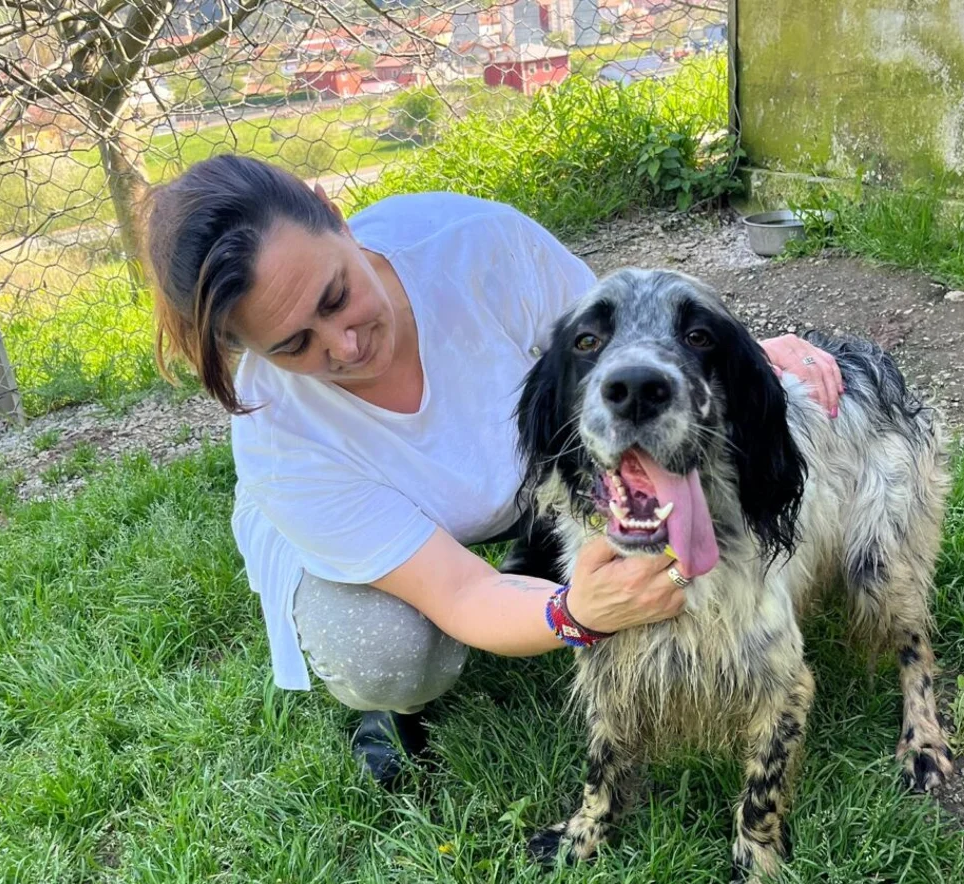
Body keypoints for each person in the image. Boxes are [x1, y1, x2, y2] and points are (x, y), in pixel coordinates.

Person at [144, 155, 843, 784]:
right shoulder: (278, 438)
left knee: (565, 491)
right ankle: (396, 705)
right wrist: (575, 615)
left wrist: (739, 349)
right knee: (383, 651)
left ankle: (532, 558)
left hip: (509, 481)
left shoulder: (476, 246)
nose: (348, 345)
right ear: (249, 351)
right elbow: (459, 593)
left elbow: (618, 338)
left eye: (335, 296)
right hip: (401, 537)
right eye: (297, 343)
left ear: (333, 212)